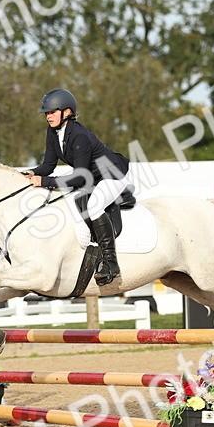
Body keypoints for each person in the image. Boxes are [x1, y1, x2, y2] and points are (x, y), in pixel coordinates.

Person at [25, 88, 130, 286]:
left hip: (112, 175)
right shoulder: (52, 132)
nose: (48, 116)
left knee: (94, 206)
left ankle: (111, 263)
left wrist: (44, 182)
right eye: (46, 113)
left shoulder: (79, 135)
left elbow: (79, 177)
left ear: (67, 112)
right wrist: (31, 173)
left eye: (52, 112)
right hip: (93, 177)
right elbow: (48, 165)